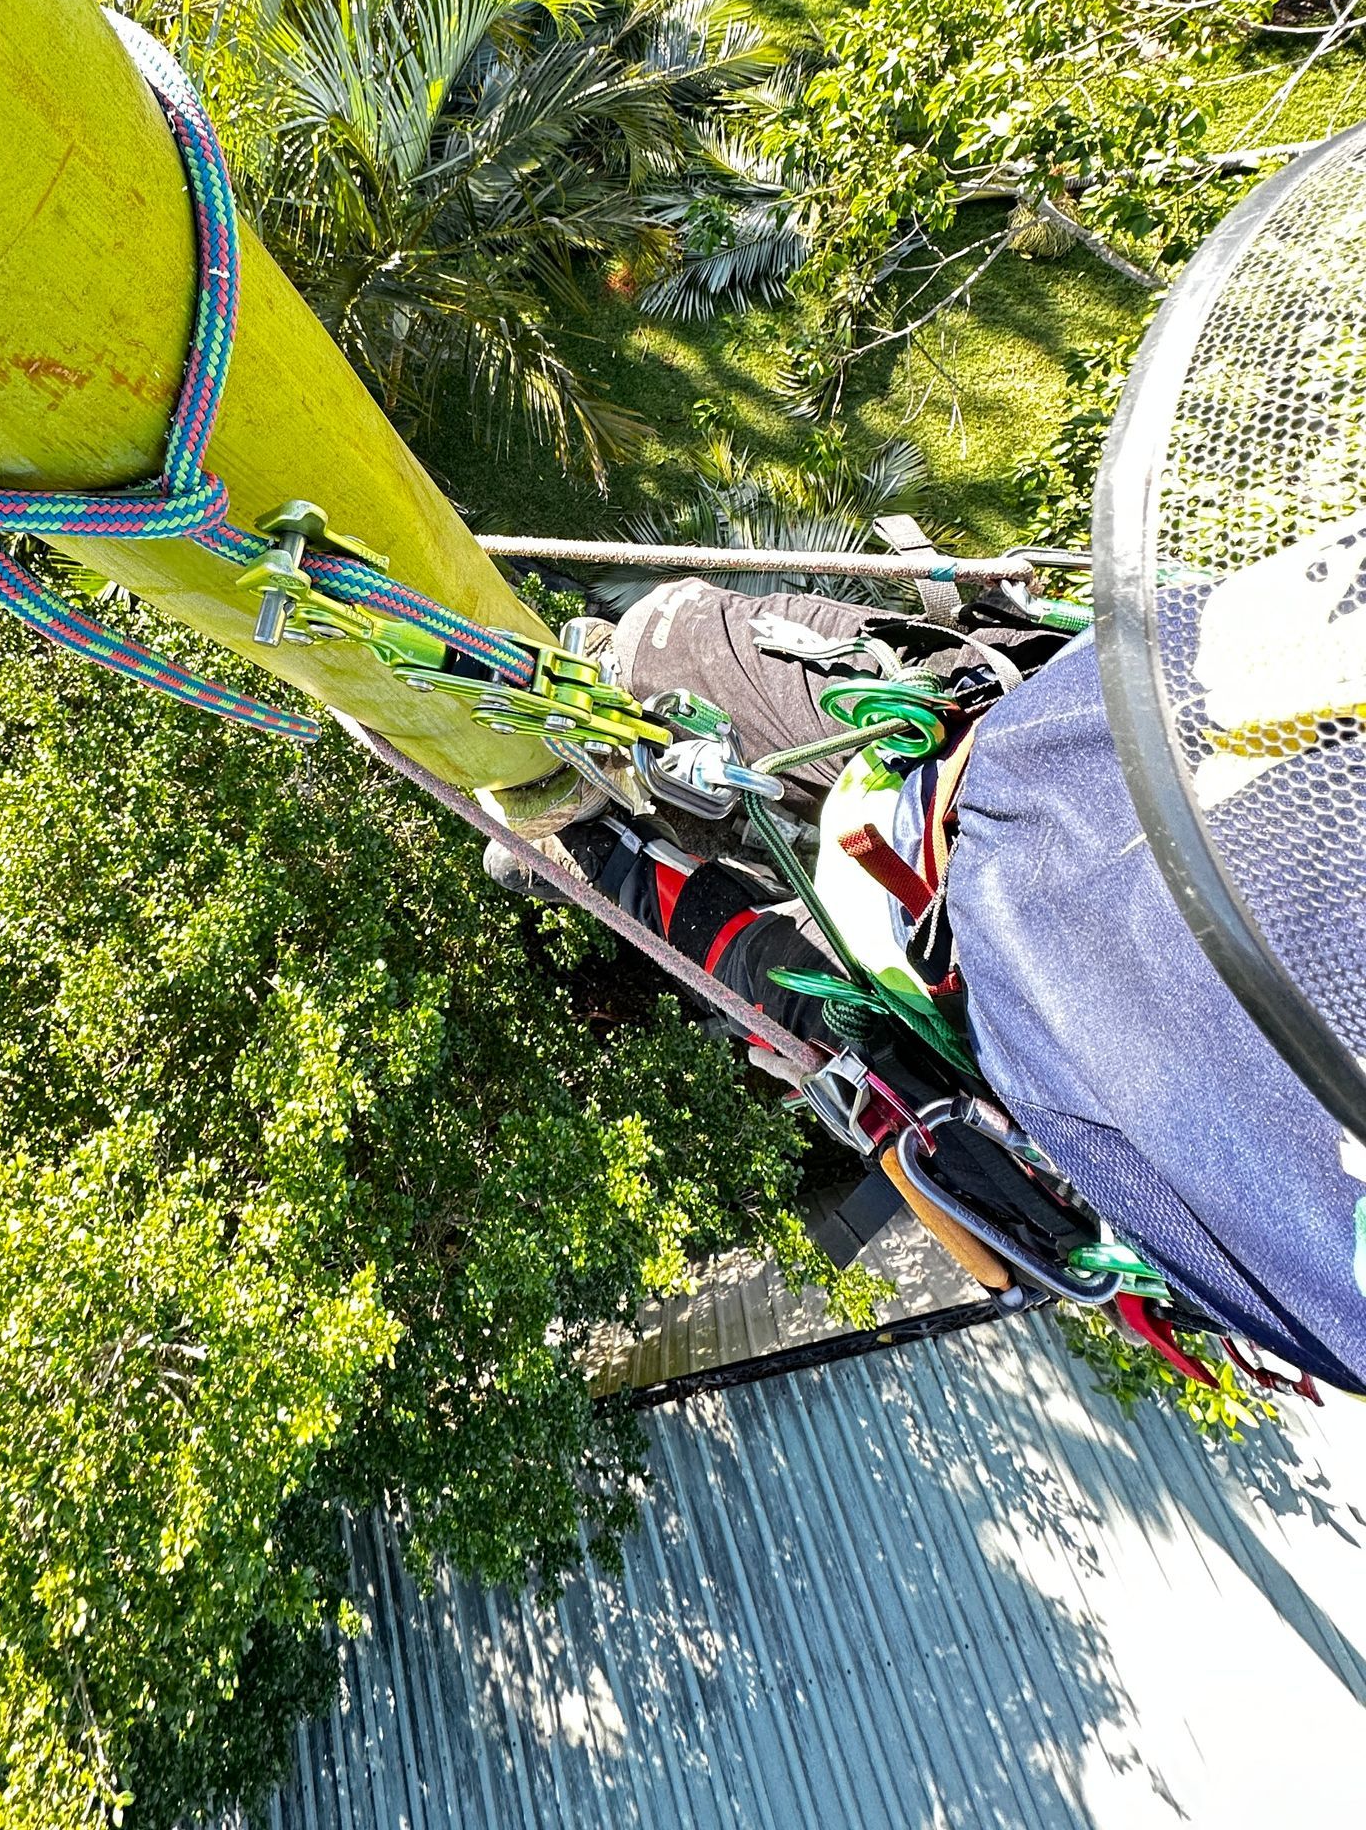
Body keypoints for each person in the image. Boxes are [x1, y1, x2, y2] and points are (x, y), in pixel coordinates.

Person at [491, 577, 1366, 1392]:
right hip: (1044, 766)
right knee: (677, 662)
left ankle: (607, 850)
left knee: (825, 1023)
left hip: (1047, 948)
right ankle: (618, 775)